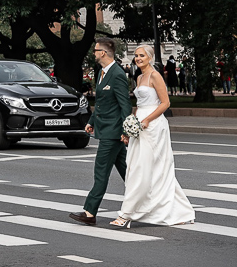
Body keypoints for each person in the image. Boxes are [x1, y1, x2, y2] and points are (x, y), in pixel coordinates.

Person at [111, 44, 194, 227]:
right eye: (136, 55)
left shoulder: (155, 76)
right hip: (139, 122)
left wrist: (147, 120)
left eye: (141, 55)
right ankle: (177, 210)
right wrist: (128, 129)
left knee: (150, 168)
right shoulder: (139, 77)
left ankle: (126, 214)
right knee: (137, 167)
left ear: (149, 57)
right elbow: (140, 104)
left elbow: (165, 103)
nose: (138, 58)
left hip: (154, 125)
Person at [69, 38, 131, 226]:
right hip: (105, 129)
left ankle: (90, 212)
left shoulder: (118, 74)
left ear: (103, 53)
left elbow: (125, 105)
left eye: (95, 50)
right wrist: (92, 121)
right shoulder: (102, 73)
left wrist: (125, 131)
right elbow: (103, 103)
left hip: (113, 133)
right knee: (129, 172)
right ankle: (149, 201)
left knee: (101, 171)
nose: (93, 53)